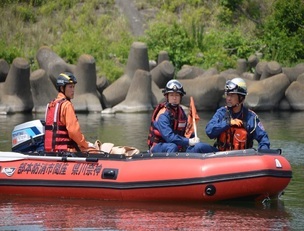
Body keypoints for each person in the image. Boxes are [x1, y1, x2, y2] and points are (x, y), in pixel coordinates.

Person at [147, 79, 216, 153]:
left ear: (180, 97)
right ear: (167, 97)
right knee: (172, 147)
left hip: (178, 145)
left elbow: (187, 131)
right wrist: (188, 141)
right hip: (159, 147)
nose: (174, 98)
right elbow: (169, 137)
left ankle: (220, 154)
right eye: (171, 95)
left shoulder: (181, 112)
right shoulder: (163, 115)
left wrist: (193, 139)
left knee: (200, 146)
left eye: (177, 95)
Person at [205, 77, 270, 151]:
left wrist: (263, 152)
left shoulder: (251, 117)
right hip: (221, 156)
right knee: (198, 147)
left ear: (241, 98)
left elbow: (263, 140)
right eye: (228, 95)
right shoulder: (221, 113)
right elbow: (209, 131)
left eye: (232, 95)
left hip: (242, 158)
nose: (228, 98)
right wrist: (228, 123)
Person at [44, 72, 98, 152]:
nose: (73, 90)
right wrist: (86, 144)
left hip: (50, 150)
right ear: (62, 88)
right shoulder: (67, 105)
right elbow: (73, 132)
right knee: (94, 150)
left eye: (73, 87)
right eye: (70, 87)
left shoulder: (50, 105)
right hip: (65, 150)